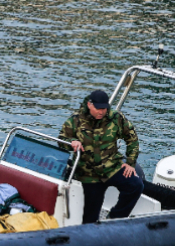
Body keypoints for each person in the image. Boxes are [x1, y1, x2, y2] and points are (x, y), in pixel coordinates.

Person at [59, 89, 143, 224]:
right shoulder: (75, 120)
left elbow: (132, 138)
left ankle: (115, 218)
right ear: (89, 105)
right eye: (98, 108)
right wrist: (71, 143)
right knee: (90, 217)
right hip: (89, 173)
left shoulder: (116, 118)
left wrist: (131, 163)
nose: (101, 112)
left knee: (135, 185)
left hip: (111, 167)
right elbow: (61, 139)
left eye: (104, 108)